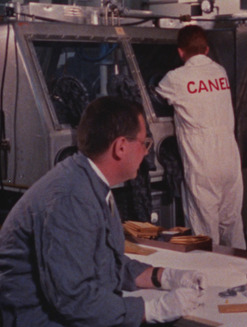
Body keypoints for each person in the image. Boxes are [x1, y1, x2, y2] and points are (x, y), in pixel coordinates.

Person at [0, 96, 207, 326]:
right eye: (144, 143)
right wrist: (151, 310)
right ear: (120, 147)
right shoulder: (71, 197)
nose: (147, 153)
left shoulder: (89, 182)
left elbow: (107, 263)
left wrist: (163, 276)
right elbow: (74, 299)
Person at [155, 25, 246, 249]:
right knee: (233, 227)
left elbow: (155, 95)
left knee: (205, 235)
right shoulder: (220, 72)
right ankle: (244, 277)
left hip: (202, 163)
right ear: (206, 50)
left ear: (180, 52)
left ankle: (212, 280)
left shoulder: (175, 78)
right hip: (230, 160)